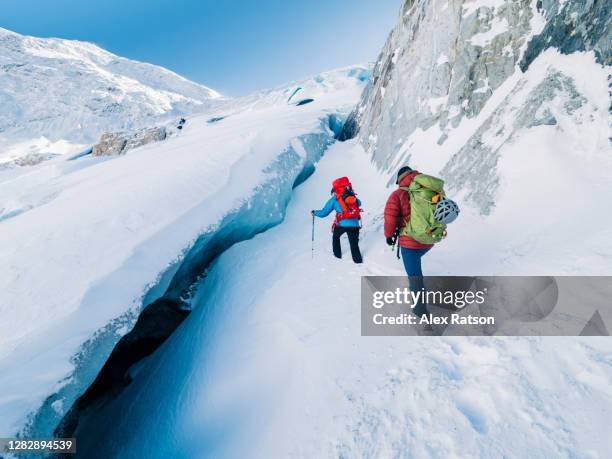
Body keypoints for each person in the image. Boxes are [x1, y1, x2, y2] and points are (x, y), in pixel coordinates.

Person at [384, 166, 433, 315]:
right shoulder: (427, 190)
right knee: (416, 269)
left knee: (415, 277)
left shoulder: (397, 195)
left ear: (400, 179)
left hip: (410, 243)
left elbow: (390, 218)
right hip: (429, 239)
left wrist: (389, 236)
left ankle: (420, 310)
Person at [312, 177, 363, 264]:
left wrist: (315, 213)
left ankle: (337, 256)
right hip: (354, 224)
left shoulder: (335, 199)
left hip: (341, 225)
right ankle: (358, 262)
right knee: (354, 244)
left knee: (336, 237)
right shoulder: (352, 196)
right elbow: (359, 203)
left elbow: (324, 212)